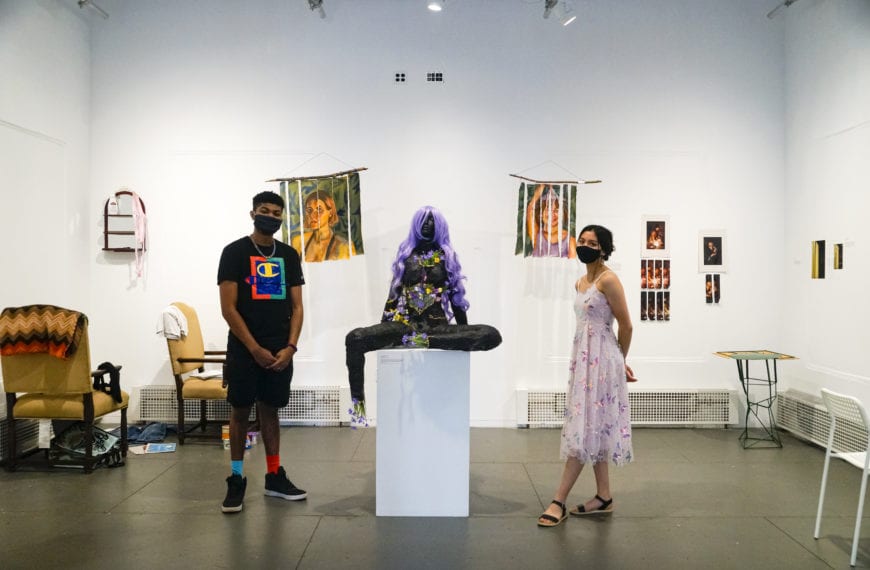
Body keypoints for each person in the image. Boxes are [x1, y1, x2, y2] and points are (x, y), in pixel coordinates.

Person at [345, 206, 501, 415]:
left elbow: (456, 300)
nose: (428, 224)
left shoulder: (447, 257)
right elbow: (393, 297)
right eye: (424, 220)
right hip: (406, 325)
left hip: (436, 328)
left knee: (492, 335)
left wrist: (463, 332)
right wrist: (384, 327)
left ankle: (425, 341)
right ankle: (358, 409)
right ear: (416, 224)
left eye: (432, 221)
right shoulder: (405, 255)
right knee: (354, 338)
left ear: (440, 226)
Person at [537, 224, 635, 528]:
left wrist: (619, 361)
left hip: (602, 362)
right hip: (583, 360)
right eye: (581, 241)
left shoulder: (609, 280)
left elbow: (626, 325)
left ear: (603, 248)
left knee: (584, 427)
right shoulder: (580, 283)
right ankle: (603, 496)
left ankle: (558, 500)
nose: (585, 245)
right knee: (595, 424)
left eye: (592, 242)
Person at [218, 191, 306, 513]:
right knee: (240, 410)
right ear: (253, 213)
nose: (271, 216)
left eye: (277, 212)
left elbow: (297, 307)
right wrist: (253, 348)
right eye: (264, 210)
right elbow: (228, 309)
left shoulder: (289, 255)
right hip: (244, 349)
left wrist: (291, 348)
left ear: (282, 218)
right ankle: (237, 478)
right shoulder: (234, 253)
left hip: (280, 348)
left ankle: (273, 475)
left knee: (270, 410)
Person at [291, 190, 352, 262]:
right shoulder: (298, 242)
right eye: (309, 210)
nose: (313, 216)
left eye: (319, 210)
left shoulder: (344, 246)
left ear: (330, 212)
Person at [526, 184, 577, 258]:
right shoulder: (537, 236)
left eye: (556, 210)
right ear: (541, 214)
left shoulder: (570, 240)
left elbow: (572, 264)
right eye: (548, 209)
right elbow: (530, 209)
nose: (552, 213)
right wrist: (543, 185)